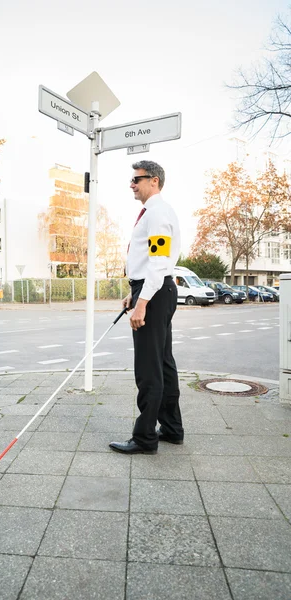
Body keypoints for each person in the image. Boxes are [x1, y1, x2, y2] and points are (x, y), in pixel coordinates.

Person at [109, 160, 184, 454]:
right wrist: (135, 293)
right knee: (163, 363)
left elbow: (158, 263)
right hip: (153, 289)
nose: (132, 184)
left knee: (149, 368)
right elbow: (149, 263)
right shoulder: (154, 213)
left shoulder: (158, 214)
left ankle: (144, 439)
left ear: (154, 181)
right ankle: (172, 428)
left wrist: (142, 302)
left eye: (136, 179)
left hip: (155, 291)